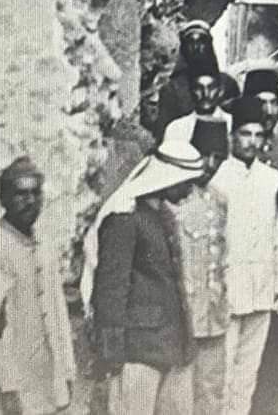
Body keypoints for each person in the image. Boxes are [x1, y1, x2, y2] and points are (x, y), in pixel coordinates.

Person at [87, 139, 205, 415]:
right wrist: (112, 352)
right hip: (137, 351)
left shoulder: (162, 215)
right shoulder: (125, 218)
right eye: (185, 182)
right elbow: (111, 289)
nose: (189, 189)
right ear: (168, 178)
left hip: (170, 345)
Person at [0, 157, 75, 415]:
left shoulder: (46, 245)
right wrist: (8, 386)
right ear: (4, 199)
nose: (30, 201)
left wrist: (67, 368)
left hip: (49, 373)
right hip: (17, 381)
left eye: (35, 193)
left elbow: (57, 309)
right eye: (21, 194)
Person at [210, 95, 278, 415]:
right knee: (223, 369)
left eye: (258, 135)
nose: (252, 142)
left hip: (262, 287)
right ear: (233, 136)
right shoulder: (217, 179)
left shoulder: (273, 181)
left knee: (249, 371)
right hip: (226, 289)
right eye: (245, 134)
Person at [241, 67, 278, 415]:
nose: (268, 109)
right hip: (243, 251)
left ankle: (266, 405)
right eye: (260, 101)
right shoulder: (238, 144)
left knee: (275, 336)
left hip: (276, 246)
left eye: (273, 101)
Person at [172, 118, 231, 413]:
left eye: (218, 157)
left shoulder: (221, 201)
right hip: (182, 319)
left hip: (213, 317)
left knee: (212, 394)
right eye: (204, 155)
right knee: (179, 398)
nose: (210, 164)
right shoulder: (174, 201)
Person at [155, 20, 240, 140]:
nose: (196, 47)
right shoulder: (172, 89)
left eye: (202, 41)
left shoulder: (228, 84)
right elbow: (163, 132)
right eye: (190, 43)